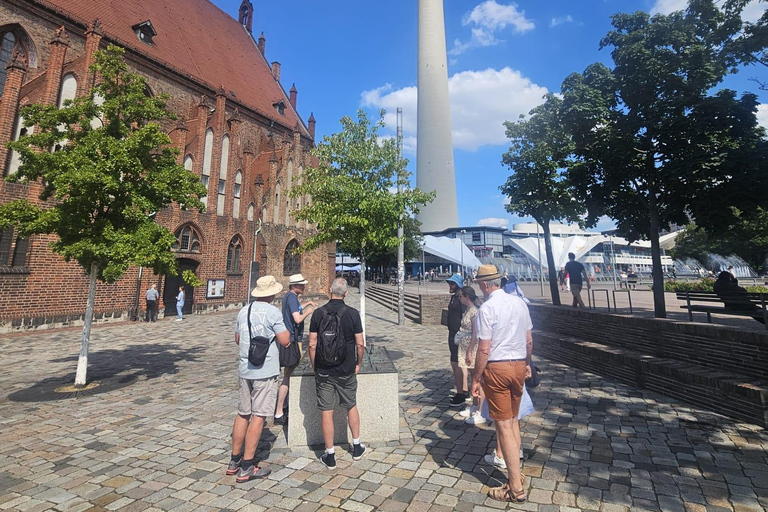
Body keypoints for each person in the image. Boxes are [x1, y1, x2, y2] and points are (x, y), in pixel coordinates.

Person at [472, 264, 533, 503]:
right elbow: (529, 341)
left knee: (504, 426)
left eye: (479, 283)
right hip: (518, 364)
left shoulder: (487, 308)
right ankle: (518, 473)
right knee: (514, 421)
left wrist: (476, 378)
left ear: (486, 284)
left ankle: (515, 488)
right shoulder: (519, 303)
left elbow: (484, 349)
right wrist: (527, 363)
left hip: (497, 367)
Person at [227, 275, 290, 483]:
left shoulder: (244, 310)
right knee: (259, 416)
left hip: (245, 369)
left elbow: (237, 339)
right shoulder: (273, 312)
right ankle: (247, 467)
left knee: (243, 413)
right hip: (264, 370)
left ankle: (234, 461)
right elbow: (285, 340)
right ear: (271, 293)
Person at [308, 278, 366, 469]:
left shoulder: (318, 314)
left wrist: (314, 365)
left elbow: (312, 343)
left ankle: (330, 455)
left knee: (326, 411)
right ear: (346, 293)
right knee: (351, 405)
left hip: (324, 370)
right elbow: (360, 343)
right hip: (346, 369)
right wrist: (358, 363)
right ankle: (356, 447)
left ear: (329, 290)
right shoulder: (352, 314)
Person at [274, 274, 316, 425]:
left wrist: (306, 303)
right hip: (292, 340)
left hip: (291, 338)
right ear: (295, 286)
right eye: (302, 285)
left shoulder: (289, 297)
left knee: (288, 374)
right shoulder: (292, 298)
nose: (304, 287)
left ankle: (283, 405)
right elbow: (297, 318)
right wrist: (308, 312)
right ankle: (280, 411)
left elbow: (295, 309)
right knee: (289, 375)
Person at [456, 286, 484, 424]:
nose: (459, 298)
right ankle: (474, 405)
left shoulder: (474, 312)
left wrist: (469, 351)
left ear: (466, 296)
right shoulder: (467, 310)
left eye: (460, 296)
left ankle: (481, 409)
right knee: (473, 378)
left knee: (477, 378)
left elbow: (475, 333)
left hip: (471, 347)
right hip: (465, 345)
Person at [445, 274, 468, 407]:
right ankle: (464, 390)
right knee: (458, 363)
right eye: (449, 284)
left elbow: (465, 318)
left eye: (452, 284)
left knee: (458, 363)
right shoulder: (454, 298)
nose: (450, 286)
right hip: (452, 334)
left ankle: (461, 392)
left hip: (458, 335)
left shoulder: (461, 300)